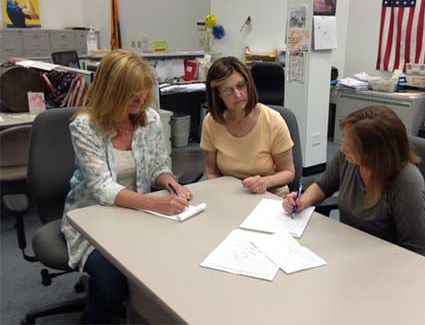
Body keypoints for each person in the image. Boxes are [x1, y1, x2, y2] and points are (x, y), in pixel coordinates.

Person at [61, 50, 192, 324]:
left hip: (140, 215)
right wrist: (156, 203)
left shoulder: (149, 118)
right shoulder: (85, 126)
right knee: (111, 286)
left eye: (144, 93)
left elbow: (158, 167)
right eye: (132, 94)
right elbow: (102, 188)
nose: (141, 100)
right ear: (112, 91)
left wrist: (171, 185)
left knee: (179, 260)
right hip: (94, 218)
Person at [283, 105, 425, 255]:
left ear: (375, 153)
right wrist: (302, 201)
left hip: (383, 260)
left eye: (351, 145)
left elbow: (415, 249)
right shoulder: (349, 159)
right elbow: (324, 186)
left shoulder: (406, 182)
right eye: (345, 140)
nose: (342, 148)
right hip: (347, 248)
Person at [200, 56, 294, 197]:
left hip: (269, 197)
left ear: (249, 85)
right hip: (230, 197)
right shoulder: (212, 122)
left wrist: (265, 182)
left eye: (241, 86)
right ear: (218, 95)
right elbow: (211, 171)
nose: (238, 95)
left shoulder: (273, 120)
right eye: (228, 91)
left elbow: (289, 172)